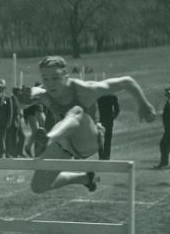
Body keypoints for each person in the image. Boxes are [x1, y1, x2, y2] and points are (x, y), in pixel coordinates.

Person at [15, 56, 155, 192]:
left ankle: (47, 139)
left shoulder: (84, 90)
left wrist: (144, 104)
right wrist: (26, 97)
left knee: (76, 111)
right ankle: (85, 178)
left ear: (65, 75)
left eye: (55, 78)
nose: (50, 83)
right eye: (45, 79)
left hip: (89, 140)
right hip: (65, 142)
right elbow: (34, 94)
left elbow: (127, 81)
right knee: (38, 186)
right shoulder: (47, 91)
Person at [96, 93, 120, 160]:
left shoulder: (99, 95)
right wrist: (113, 117)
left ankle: (101, 155)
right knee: (108, 138)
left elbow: (95, 108)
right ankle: (106, 156)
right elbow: (117, 110)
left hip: (100, 119)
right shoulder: (112, 96)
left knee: (99, 138)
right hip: (109, 119)